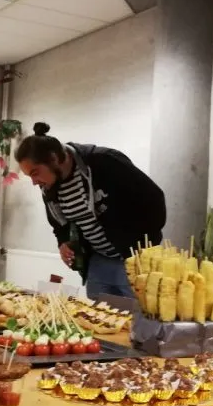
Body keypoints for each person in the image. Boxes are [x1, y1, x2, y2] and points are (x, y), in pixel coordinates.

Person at [14, 122, 166, 299]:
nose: (34, 182)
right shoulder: (49, 186)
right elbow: (59, 224)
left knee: (138, 322)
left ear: (54, 158)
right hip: (98, 261)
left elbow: (154, 198)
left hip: (135, 260)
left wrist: (143, 247)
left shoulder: (104, 161)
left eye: (35, 173)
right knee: (101, 319)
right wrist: (63, 242)